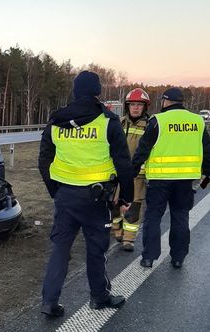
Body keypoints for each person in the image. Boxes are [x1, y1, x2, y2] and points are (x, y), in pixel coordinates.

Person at [38, 71, 134, 317]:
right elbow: (123, 162)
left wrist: (54, 190)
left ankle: (49, 302)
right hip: (95, 198)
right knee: (96, 249)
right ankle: (99, 297)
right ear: (97, 91)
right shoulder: (108, 121)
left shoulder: (56, 122)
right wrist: (126, 197)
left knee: (59, 249)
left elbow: (44, 160)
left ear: (74, 91)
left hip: (65, 197)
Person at [132, 87, 210, 268]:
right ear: (181, 102)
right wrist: (207, 172)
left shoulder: (157, 121)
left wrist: (131, 171)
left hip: (159, 180)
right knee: (180, 217)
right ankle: (178, 257)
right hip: (185, 181)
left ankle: (149, 257)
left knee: (153, 217)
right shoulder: (197, 121)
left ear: (166, 101)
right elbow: (207, 150)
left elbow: (142, 150)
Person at [111, 88, 151, 251]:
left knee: (133, 207)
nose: (136, 108)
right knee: (115, 204)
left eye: (139, 105)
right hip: (118, 173)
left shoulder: (150, 126)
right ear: (127, 106)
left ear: (144, 107)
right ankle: (117, 231)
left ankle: (129, 239)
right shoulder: (118, 124)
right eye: (133, 104)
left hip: (138, 176)